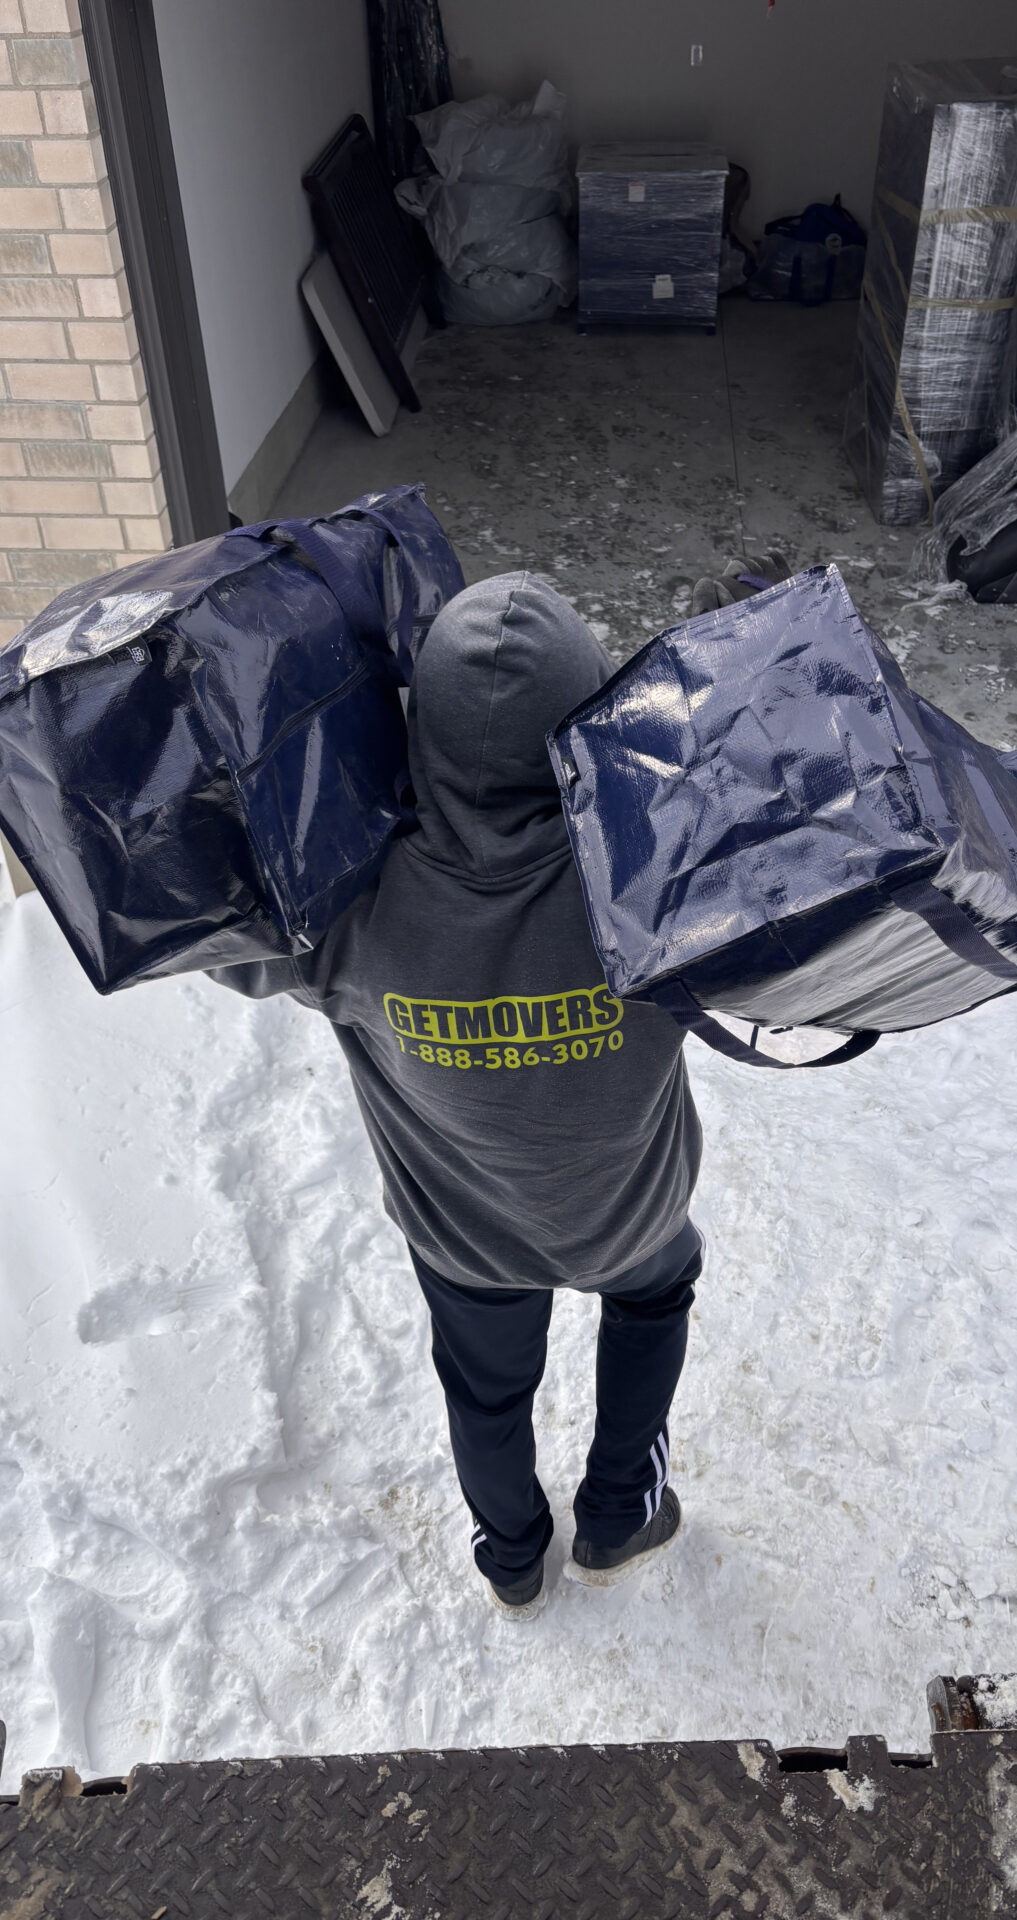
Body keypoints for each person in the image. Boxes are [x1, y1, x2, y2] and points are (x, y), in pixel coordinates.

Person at [210, 573, 703, 1618]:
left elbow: (209, 939)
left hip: (466, 1237)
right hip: (628, 1212)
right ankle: (619, 1516)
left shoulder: (343, 907)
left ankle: (513, 1556)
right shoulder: (660, 880)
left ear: (416, 728)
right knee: (657, 1295)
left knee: (485, 1389)